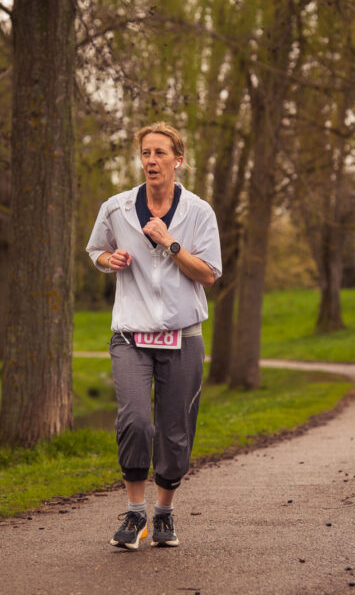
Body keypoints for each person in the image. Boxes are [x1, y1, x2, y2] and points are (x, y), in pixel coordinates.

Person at [86, 121, 222, 550]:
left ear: (178, 160)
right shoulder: (116, 207)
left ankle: (163, 514)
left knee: (175, 429)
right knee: (135, 421)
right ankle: (134, 513)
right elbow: (95, 251)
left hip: (183, 335)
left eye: (160, 153)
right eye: (146, 153)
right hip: (131, 333)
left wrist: (171, 243)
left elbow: (210, 274)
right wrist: (111, 258)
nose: (151, 161)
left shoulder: (199, 212)